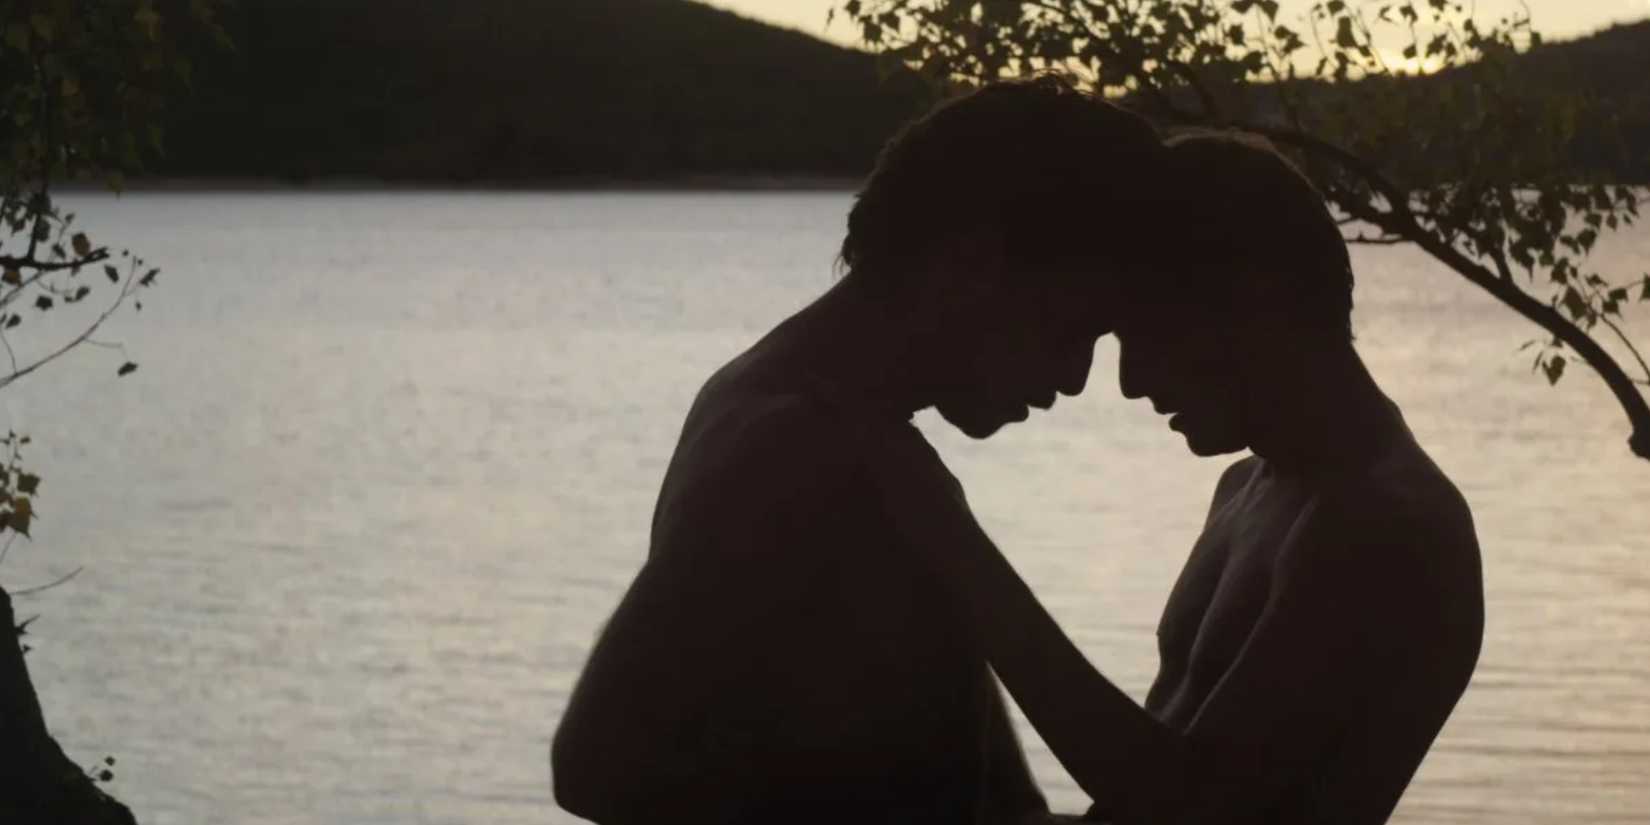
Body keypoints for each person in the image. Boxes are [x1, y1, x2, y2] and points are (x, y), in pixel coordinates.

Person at [551, 77, 1166, 825]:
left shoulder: (872, 451)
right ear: (968, 267)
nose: (1075, 376)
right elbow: (593, 768)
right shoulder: (796, 442)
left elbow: (990, 793)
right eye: (1069, 329)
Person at [862, 132, 1486, 825]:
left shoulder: (1389, 525)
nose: (1130, 382)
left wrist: (952, 541)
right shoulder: (1249, 487)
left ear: (1248, 302)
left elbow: (1191, 798)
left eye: (1144, 334)